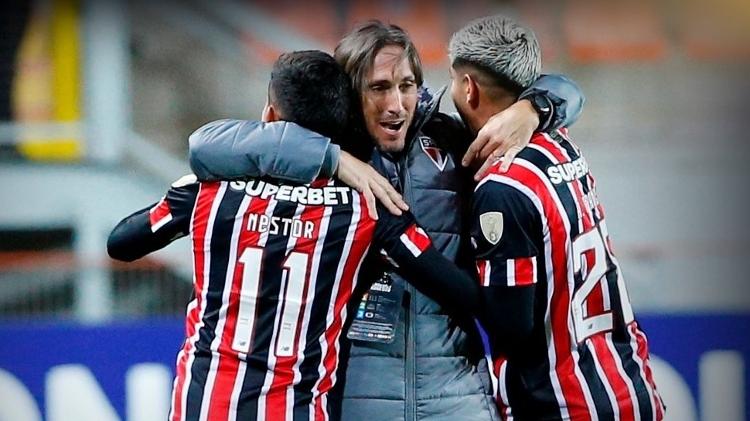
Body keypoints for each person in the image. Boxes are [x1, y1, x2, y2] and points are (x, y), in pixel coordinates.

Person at [187, 20, 585, 421]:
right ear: (351, 92)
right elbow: (205, 145)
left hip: (459, 395)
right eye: (379, 88)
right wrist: (335, 159)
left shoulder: (452, 141)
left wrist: (534, 108)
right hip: (357, 399)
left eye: (406, 85)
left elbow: (570, 91)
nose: (396, 104)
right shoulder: (322, 153)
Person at [108, 50, 486, 421]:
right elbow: (457, 288)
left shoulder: (208, 189)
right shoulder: (369, 206)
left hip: (205, 404)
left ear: (270, 116)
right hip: (299, 407)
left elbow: (122, 243)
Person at [447, 15, 665, 420]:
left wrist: (411, 250)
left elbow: (512, 330)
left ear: (468, 87)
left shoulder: (502, 189)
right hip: (629, 388)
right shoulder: (562, 144)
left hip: (561, 405)